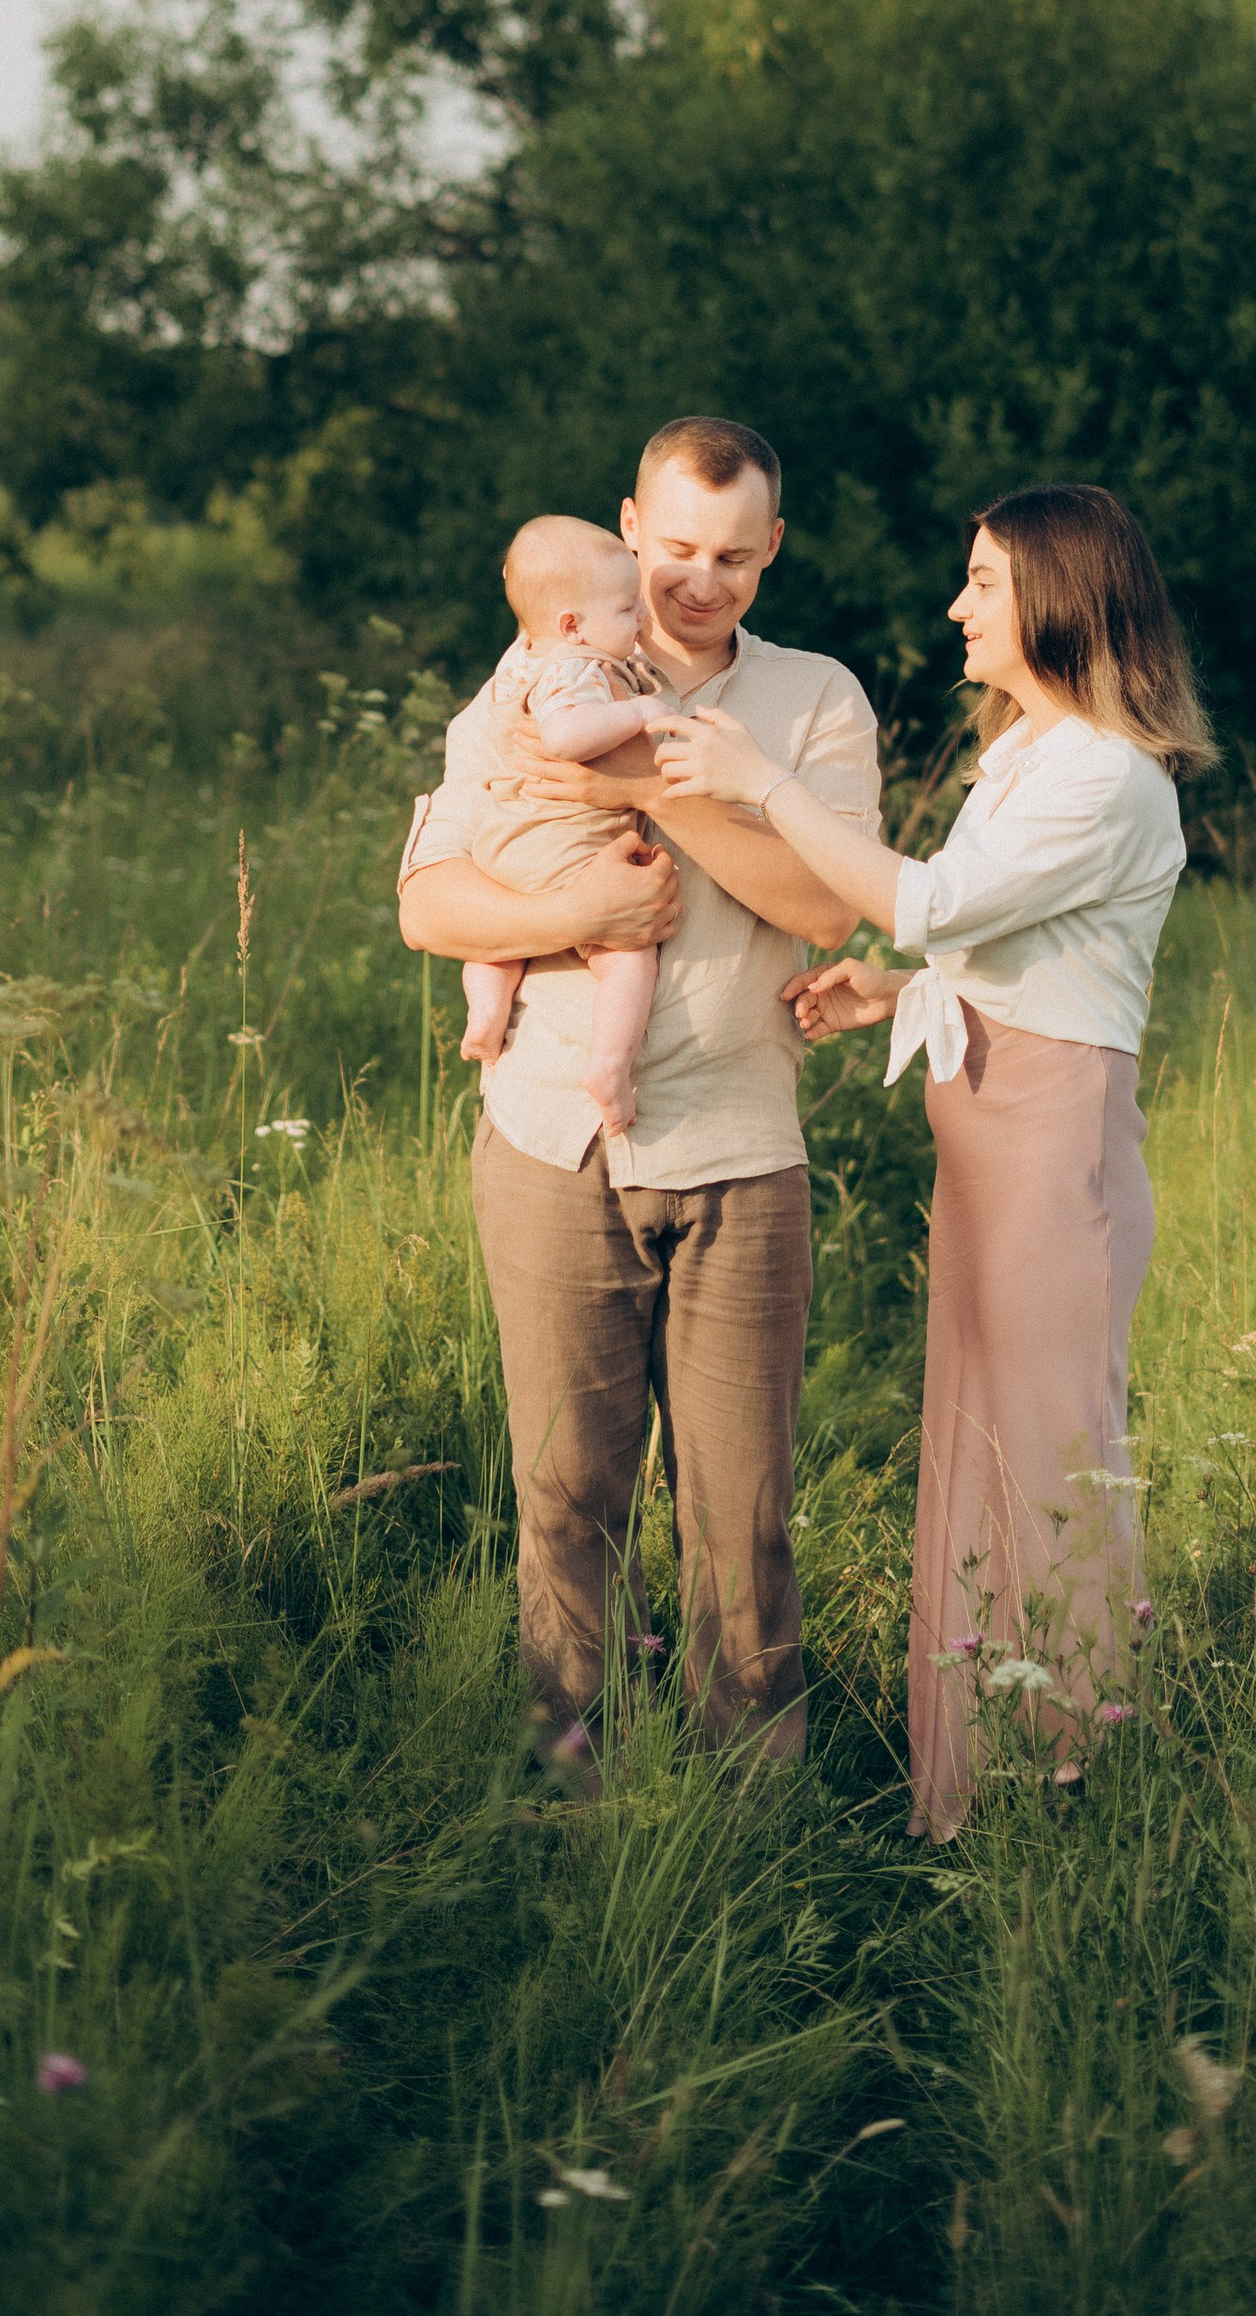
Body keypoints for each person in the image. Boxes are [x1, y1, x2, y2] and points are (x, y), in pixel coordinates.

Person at [654, 481, 1209, 1837]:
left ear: (1058, 603)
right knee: (984, 1445)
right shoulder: (1030, 756)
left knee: (1050, 1460)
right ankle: (977, 1788)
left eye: (984, 584)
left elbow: (931, 901)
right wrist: (898, 996)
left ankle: (1068, 1783)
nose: (958, 606)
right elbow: (1032, 955)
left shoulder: (1105, 774)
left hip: (1052, 1154)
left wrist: (764, 784)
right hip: (996, 1141)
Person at [398, 416, 880, 1763]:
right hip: (552, 1139)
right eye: (674, 548)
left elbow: (825, 909)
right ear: (627, 529)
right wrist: (572, 910)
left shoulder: (817, 701)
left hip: (739, 1144)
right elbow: (429, 902)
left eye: (733, 555)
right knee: (565, 1495)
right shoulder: (532, 672)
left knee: (742, 1515)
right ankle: (577, 1795)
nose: (700, 580)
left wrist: (657, 790)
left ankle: (748, 1812)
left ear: (772, 547)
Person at [457, 518, 667, 1136]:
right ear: (571, 625)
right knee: (629, 957)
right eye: (627, 608)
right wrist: (639, 709)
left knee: (498, 942)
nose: (642, 618)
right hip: (565, 844)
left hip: (505, 843)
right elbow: (566, 734)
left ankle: (487, 1014)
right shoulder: (576, 667)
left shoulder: (520, 659)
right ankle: (610, 1065)